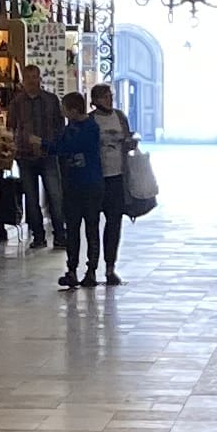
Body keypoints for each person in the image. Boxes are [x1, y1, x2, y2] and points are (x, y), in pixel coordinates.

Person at [82, 77, 135, 284]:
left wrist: (129, 142)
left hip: (116, 176)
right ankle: (92, 267)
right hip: (96, 177)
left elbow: (127, 138)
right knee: (92, 223)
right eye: (105, 97)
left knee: (114, 222)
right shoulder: (89, 120)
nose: (109, 100)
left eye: (110, 96)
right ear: (95, 100)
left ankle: (110, 266)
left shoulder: (119, 117)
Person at [52, 91, 104, 285]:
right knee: (72, 229)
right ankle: (72, 269)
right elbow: (61, 145)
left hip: (90, 184)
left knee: (91, 228)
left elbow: (71, 146)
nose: (62, 112)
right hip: (72, 185)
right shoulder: (69, 127)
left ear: (73, 110)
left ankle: (91, 270)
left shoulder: (91, 127)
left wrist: (44, 145)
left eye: (64, 108)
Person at [11, 77, 59, 249]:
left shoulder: (50, 100)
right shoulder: (17, 102)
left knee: (55, 195)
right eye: (28, 80)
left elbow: (59, 125)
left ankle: (60, 234)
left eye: (34, 79)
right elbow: (12, 126)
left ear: (39, 80)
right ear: (24, 82)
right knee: (31, 198)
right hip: (25, 156)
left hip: (48, 155)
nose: (32, 83)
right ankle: (38, 236)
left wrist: (52, 145)